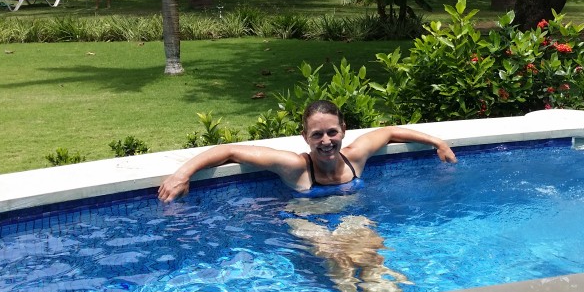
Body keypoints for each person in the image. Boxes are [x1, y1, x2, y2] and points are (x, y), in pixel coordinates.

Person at [158, 100, 457, 202]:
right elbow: (230, 151)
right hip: (308, 220)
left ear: (343, 131)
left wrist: (439, 143)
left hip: (349, 218)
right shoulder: (295, 167)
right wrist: (182, 174)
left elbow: (391, 131)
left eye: (332, 132)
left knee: (371, 252)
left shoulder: (355, 157)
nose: (326, 140)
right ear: (305, 137)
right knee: (336, 259)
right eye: (317, 135)